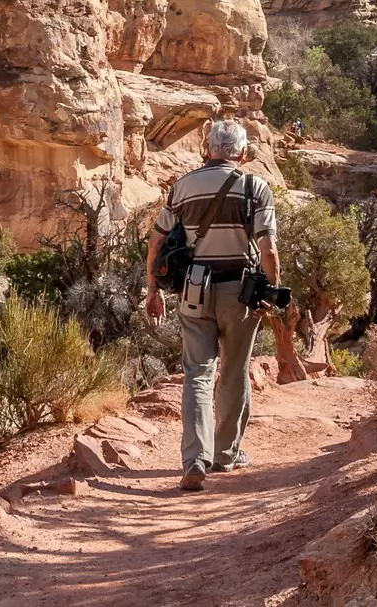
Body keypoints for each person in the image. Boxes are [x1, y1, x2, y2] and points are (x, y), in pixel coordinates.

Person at [144, 118, 281, 493]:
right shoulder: (256, 187)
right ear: (241, 152)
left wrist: (153, 290)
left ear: (208, 149)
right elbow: (268, 249)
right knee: (234, 373)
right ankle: (226, 454)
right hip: (241, 293)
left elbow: (156, 244)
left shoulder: (183, 186)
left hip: (193, 290)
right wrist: (274, 290)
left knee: (197, 375)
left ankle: (194, 461)